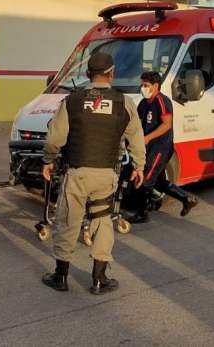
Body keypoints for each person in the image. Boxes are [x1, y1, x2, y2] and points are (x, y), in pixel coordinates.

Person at [41, 52, 146, 295]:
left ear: (88, 74)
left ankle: (61, 276)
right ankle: (99, 280)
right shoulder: (124, 102)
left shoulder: (72, 101)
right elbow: (136, 137)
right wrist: (139, 166)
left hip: (77, 173)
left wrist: (48, 160)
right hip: (106, 174)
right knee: (101, 221)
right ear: (111, 73)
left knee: (68, 221)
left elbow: (55, 138)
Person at [127, 72, 199, 224]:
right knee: (158, 181)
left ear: (155, 86)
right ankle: (187, 198)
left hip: (160, 147)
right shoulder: (144, 103)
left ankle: (142, 213)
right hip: (149, 148)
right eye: (142, 85)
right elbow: (138, 123)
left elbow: (167, 124)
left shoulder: (162, 101)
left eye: (146, 85)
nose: (143, 88)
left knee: (146, 179)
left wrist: (148, 138)